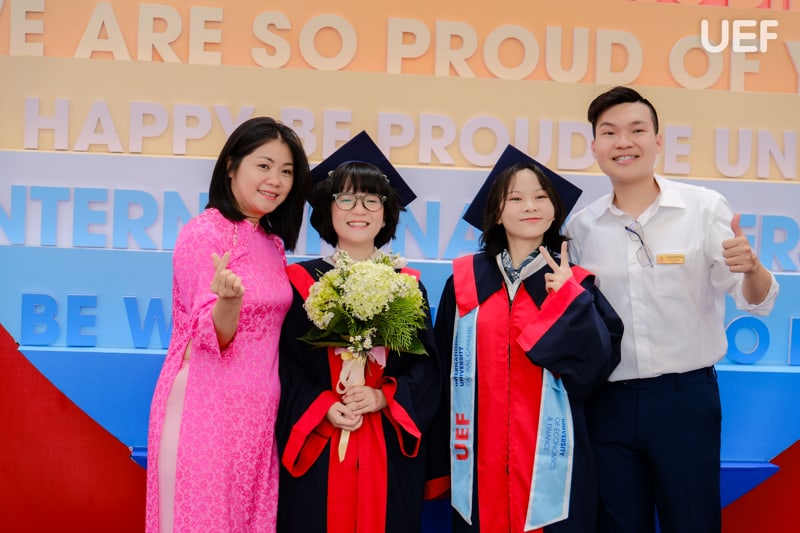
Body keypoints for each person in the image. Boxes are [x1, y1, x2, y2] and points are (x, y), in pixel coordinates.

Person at [566, 86, 780, 533]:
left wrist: (753, 267)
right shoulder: (582, 228)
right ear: (595, 146)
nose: (623, 142)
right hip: (608, 403)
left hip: (684, 400)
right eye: (609, 132)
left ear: (658, 141)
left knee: (692, 521)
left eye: (637, 130)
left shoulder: (702, 208)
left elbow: (755, 300)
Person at [434, 144, 623, 533]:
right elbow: (442, 376)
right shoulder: (464, 282)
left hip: (552, 461)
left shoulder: (575, 283)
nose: (530, 206)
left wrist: (571, 303)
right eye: (516, 198)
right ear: (497, 213)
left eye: (540, 197)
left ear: (554, 210)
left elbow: (594, 371)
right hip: (479, 457)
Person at [145, 117, 311, 532]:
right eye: (264, 165)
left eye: (286, 171)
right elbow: (209, 336)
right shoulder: (204, 233)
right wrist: (230, 302)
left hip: (257, 416)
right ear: (232, 166)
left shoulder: (272, 243)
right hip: (206, 408)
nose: (275, 180)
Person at [275, 131, 443, 533]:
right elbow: (284, 366)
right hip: (321, 437)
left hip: (385, 441)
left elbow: (426, 370)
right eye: (346, 199)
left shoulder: (408, 285)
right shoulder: (300, 283)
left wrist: (383, 397)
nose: (359, 210)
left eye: (372, 200)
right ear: (327, 209)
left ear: (386, 214)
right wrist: (323, 406)